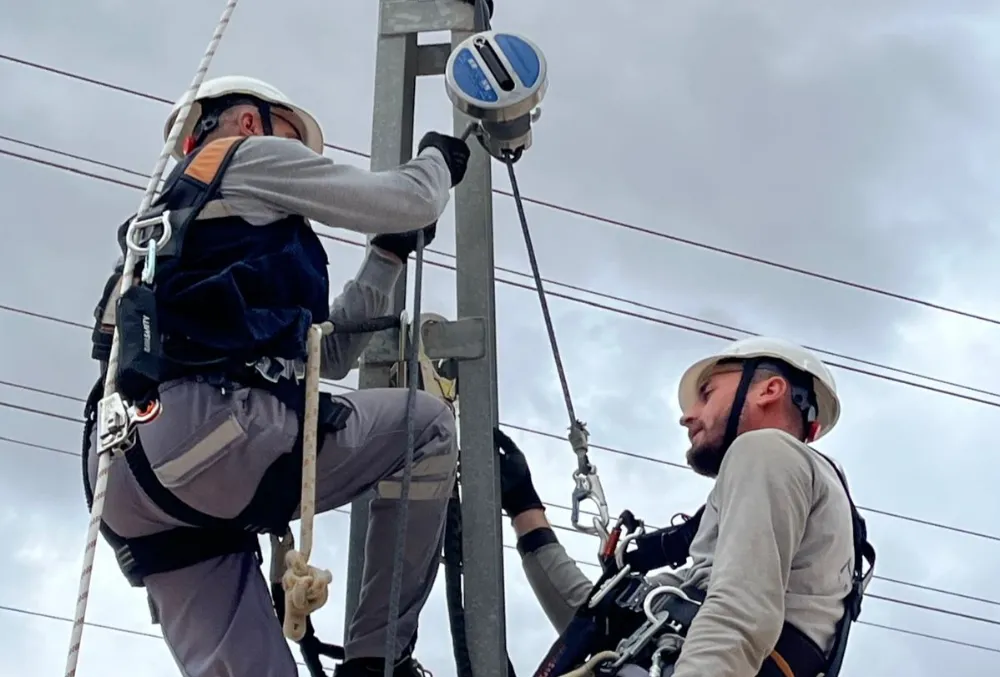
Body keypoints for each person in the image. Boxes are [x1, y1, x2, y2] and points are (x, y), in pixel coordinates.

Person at [82, 75, 472, 677]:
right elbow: (412, 200)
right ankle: (377, 659)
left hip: (125, 480)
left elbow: (325, 357)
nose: (301, 165)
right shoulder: (245, 155)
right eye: (295, 143)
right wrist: (436, 164)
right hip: (210, 435)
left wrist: (388, 256)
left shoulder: (169, 232)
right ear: (248, 122)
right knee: (427, 428)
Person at [495, 337, 873, 677]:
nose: (687, 415)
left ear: (769, 390)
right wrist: (525, 509)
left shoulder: (766, 450)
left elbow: (740, 615)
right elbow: (596, 625)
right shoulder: (717, 567)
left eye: (707, 394)